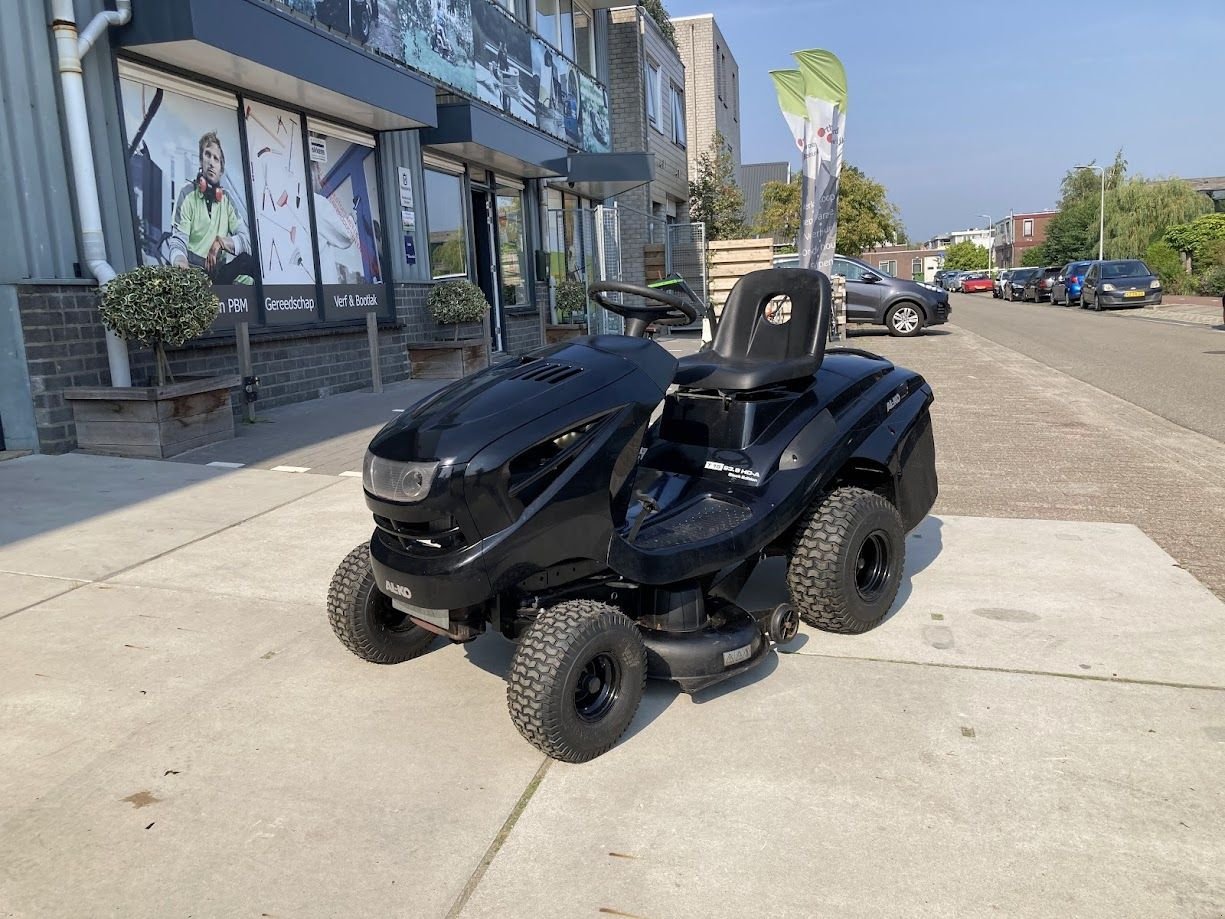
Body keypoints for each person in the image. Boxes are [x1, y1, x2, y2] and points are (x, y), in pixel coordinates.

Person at [167, 131, 257, 285]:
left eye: (216, 159)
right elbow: (177, 242)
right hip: (195, 276)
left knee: (248, 263)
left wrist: (220, 243)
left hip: (220, 275)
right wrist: (181, 263)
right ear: (201, 161)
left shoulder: (227, 200)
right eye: (207, 155)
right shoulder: (187, 194)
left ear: (221, 170)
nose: (211, 162)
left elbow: (247, 241)